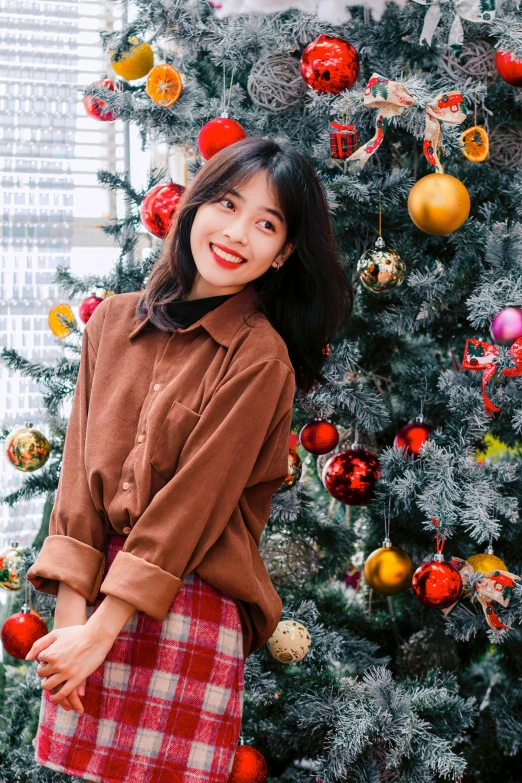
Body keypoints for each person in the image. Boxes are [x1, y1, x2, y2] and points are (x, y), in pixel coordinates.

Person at [25, 137, 352, 782]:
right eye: (226, 205)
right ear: (194, 207)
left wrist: (98, 635)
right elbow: (75, 490)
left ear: (284, 252)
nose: (236, 234)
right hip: (88, 601)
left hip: (189, 605)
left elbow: (191, 507)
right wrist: (72, 628)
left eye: (266, 223)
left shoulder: (261, 359)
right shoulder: (110, 323)